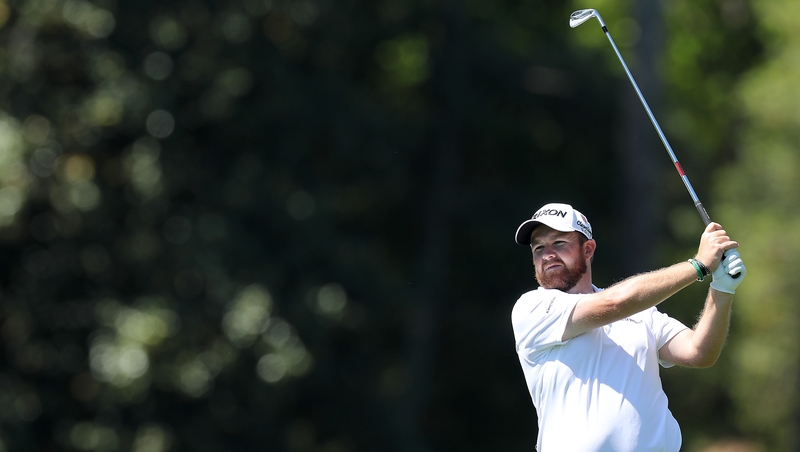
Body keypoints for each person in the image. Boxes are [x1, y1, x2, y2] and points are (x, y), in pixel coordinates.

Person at [511, 202, 747, 452]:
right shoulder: (532, 308)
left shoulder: (640, 312)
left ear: (588, 249)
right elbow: (615, 303)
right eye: (538, 248)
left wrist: (722, 291)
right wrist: (698, 265)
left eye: (559, 243)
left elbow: (699, 352)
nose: (547, 254)